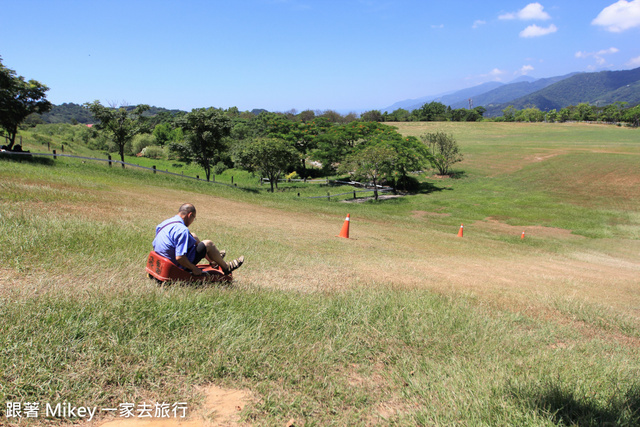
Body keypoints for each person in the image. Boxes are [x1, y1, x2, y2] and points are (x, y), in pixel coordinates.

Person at [153, 203, 244, 275]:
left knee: (193, 235)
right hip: (174, 264)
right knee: (208, 244)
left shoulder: (166, 222)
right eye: (194, 218)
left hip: (161, 258)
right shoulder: (182, 230)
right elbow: (180, 257)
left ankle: (213, 261)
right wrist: (194, 268)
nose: (193, 221)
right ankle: (226, 267)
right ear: (190, 215)